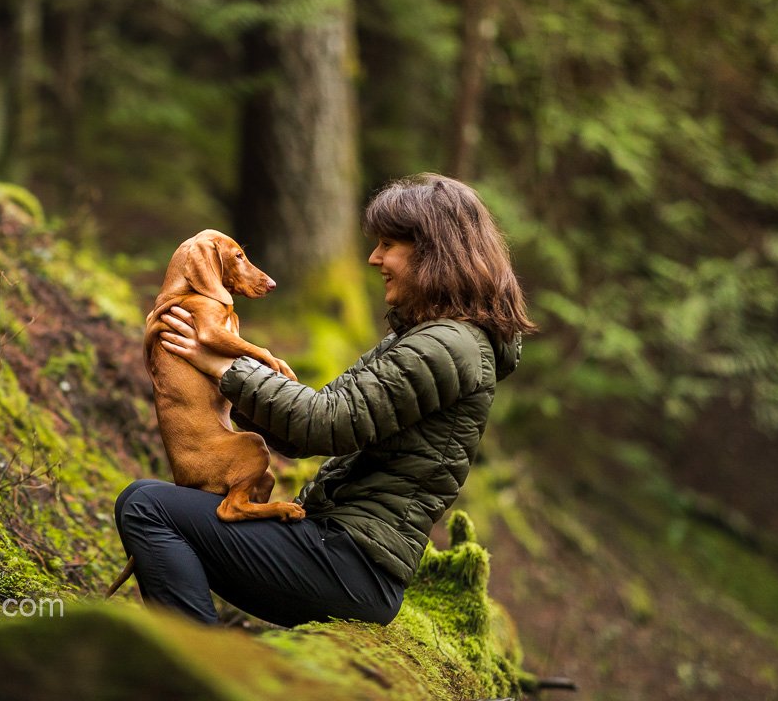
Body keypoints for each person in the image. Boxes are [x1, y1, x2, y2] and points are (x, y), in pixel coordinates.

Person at [113, 174, 535, 627]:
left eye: (387, 244)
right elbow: (305, 432)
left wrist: (222, 367)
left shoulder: (448, 347)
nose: (374, 258)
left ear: (433, 252)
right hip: (342, 552)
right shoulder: (431, 338)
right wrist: (200, 385)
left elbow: (324, 422)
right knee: (159, 507)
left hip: (353, 567)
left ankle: (196, 664)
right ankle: (199, 648)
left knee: (145, 505)